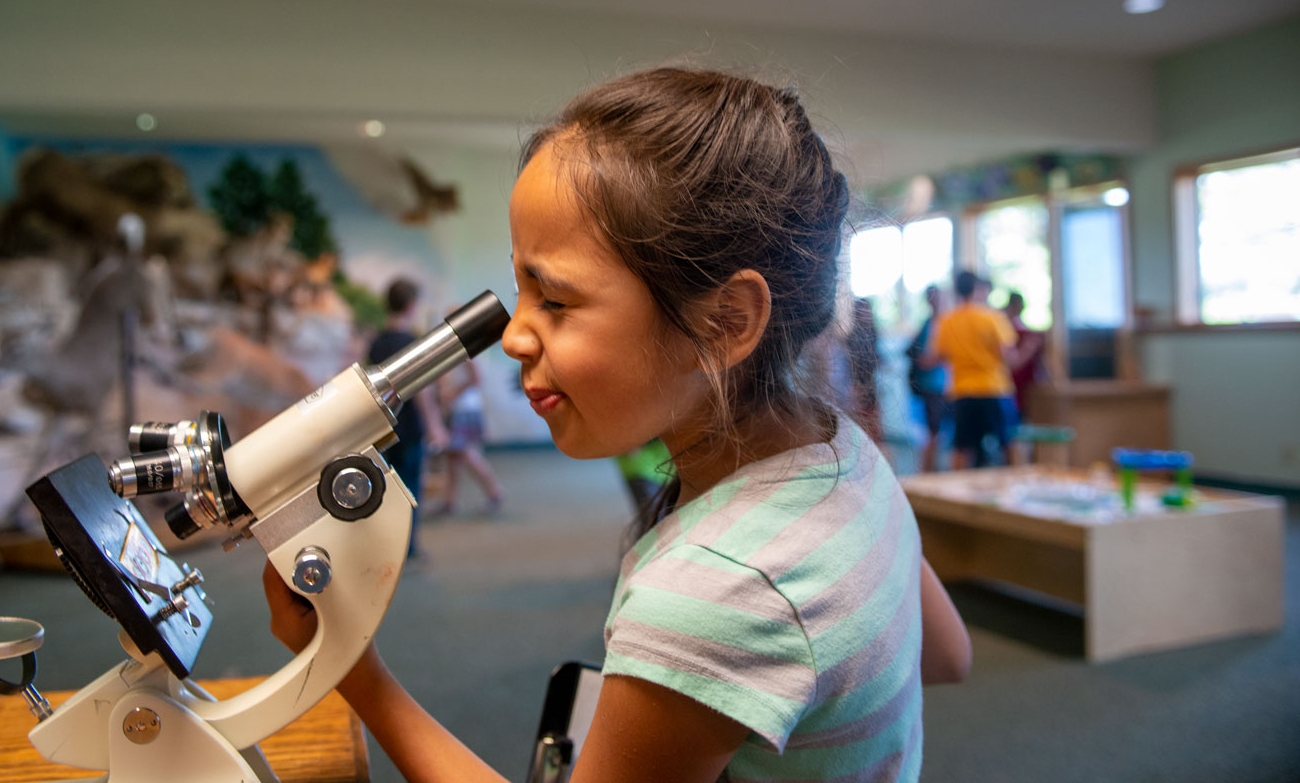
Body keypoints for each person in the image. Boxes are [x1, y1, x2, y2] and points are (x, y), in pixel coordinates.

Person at [266, 68, 971, 783]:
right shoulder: (847, 454)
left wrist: (357, 673)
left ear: (725, 322)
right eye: (521, 288)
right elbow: (947, 655)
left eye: (557, 300)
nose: (514, 335)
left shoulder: (716, 590)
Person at [367, 277, 448, 561]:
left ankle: (387, 547)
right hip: (410, 427)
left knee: (386, 489)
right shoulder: (411, 342)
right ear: (411, 306)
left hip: (384, 427)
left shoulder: (377, 342)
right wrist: (435, 426)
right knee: (411, 487)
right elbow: (421, 391)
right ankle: (408, 549)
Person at [927, 270, 1016, 469]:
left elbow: (936, 357)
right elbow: (1009, 356)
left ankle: (958, 497)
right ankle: (1013, 489)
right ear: (977, 288)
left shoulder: (947, 321)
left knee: (962, 448)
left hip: (962, 391)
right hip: (995, 388)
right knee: (1007, 444)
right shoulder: (992, 318)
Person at [431, 360, 506, 516]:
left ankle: (494, 492)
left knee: (464, 452)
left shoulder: (466, 356)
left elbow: (476, 378)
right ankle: (449, 501)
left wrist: (454, 393)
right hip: (458, 408)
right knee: (453, 456)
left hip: (464, 408)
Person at [904, 285, 950, 473]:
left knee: (936, 432)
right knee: (933, 432)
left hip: (938, 385)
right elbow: (925, 358)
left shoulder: (937, 322)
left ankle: (930, 469)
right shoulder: (932, 324)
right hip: (933, 386)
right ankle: (928, 471)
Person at [844, 297, 884, 445]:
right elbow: (854, 364)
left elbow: (874, 357)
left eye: (867, 310)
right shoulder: (854, 336)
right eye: (863, 310)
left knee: (874, 423)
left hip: (871, 384)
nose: (865, 313)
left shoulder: (873, 332)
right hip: (858, 386)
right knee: (863, 424)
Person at [1003, 291, 1047, 421]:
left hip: (1025, 384)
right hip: (1009, 383)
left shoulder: (1025, 331)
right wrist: (1029, 347)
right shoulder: (1005, 329)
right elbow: (1012, 362)